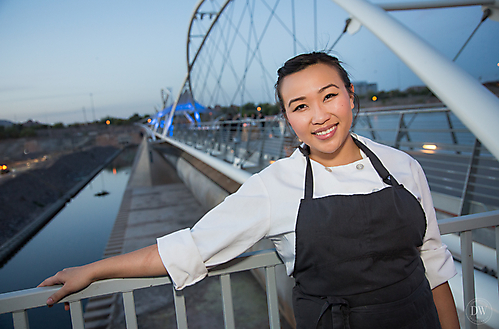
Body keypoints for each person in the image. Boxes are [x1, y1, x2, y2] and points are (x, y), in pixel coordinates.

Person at [39, 52, 459, 328]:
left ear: (351, 96)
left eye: (329, 95)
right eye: (300, 106)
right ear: (288, 119)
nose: (319, 116)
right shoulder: (275, 186)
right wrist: (94, 269)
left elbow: (433, 264)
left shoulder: (403, 167)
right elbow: (191, 247)